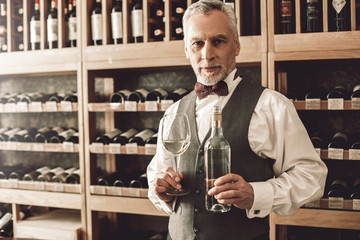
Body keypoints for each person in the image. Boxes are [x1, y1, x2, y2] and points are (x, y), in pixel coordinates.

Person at [147, 1, 328, 239]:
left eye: (218, 41)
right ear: (187, 50)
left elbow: (311, 175)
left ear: (237, 45)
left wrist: (256, 194)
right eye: (198, 43)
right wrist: (162, 190)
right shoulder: (174, 112)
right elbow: (157, 175)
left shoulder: (271, 106)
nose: (207, 54)